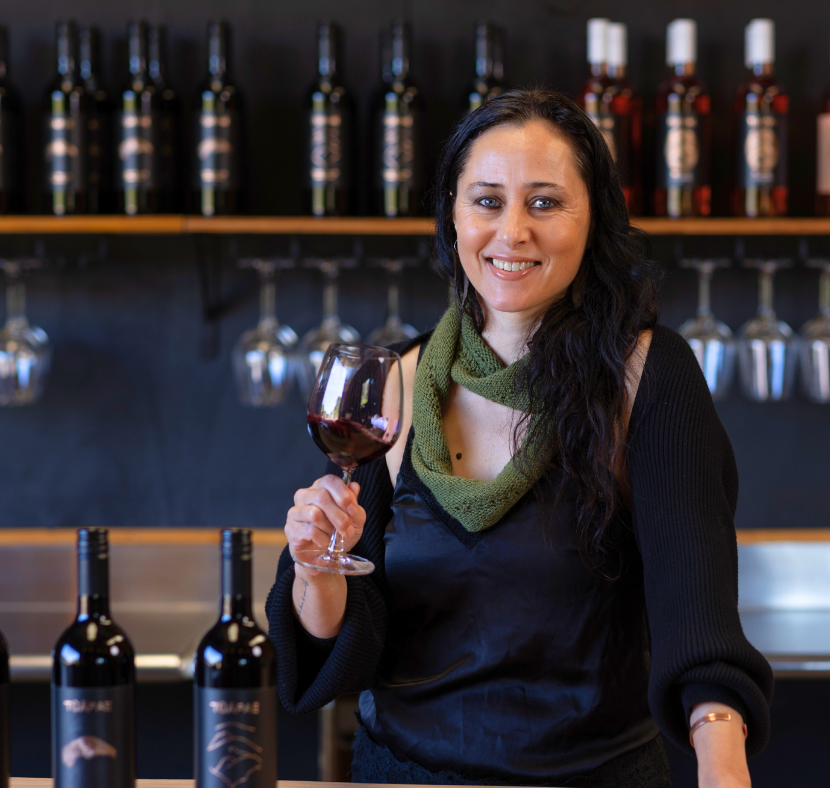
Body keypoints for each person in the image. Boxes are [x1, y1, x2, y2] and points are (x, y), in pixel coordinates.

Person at [266, 88, 772, 788]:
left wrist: (724, 767)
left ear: (593, 217)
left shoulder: (646, 375)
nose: (512, 232)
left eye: (543, 202)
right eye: (486, 200)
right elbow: (349, 640)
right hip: (402, 776)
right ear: (451, 213)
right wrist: (317, 569)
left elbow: (698, 610)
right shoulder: (398, 381)